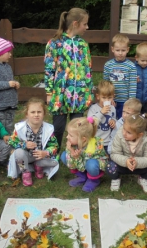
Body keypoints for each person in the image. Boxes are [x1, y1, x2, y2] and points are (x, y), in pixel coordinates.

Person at [44, 8, 93, 148]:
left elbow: (88, 70)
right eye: (85, 24)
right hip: (60, 95)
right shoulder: (54, 43)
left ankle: (75, 159)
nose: (87, 27)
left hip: (79, 95)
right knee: (58, 129)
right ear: (75, 23)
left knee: (78, 129)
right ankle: (53, 158)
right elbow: (49, 69)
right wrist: (49, 92)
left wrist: (88, 91)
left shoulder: (83, 44)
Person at [7, 98, 59, 186]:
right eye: (33, 112)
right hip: (26, 156)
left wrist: (45, 152)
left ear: (44, 114)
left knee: (55, 162)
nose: (36, 115)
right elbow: (11, 141)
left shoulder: (48, 129)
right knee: (18, 153)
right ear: (27, 114)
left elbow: (54, 146)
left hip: (41, 157)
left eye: (39, 112)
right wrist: (24, 144)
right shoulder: (20, 128)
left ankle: (38, 166)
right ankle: (25, 172)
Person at [107, 114, 147, 193]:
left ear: (140, 134)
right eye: (124, 129)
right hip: (123, 165)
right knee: (110, 166)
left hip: (140, 166)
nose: (124, 133)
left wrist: (137, 162)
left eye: (129, 132)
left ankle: (143, 178)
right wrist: (126, 161)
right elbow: (114, 154)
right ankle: (116, 179)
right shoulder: (119, 135)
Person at [61, 117, 108, 192]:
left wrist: (77, 158)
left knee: (91, 164)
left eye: (71, 135)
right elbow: (74, 164)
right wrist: (71, 151)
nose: (67, 137)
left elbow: (83, 166)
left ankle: (93, 180)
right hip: (82, 164)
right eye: (68, 134)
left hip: (91, 165)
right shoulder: (74, 144)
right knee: (64, 156)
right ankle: (82, 176)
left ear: (83, 139)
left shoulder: (94, 147)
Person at [103, 33, 137, 119]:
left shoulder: (131, 66)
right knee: (110, 119)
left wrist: (130, 101)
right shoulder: (108, 65)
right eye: (118, 50)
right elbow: (105, 84)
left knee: (124, 119)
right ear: (112, 49)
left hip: (125, 100)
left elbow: (133, 85)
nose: (120, 53)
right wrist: (108, 98)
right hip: (112, 100)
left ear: (128, 50)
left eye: (123, 50)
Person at [87, 80, 116, 153]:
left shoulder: (112, 108)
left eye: (109, 98)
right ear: (98, 96)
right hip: (95, 141)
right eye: (104, 97)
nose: (107, 100)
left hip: (108, 142)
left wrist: (113, 121)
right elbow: (90, 122)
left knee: (107, 162)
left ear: (113, 97)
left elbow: (113, 118)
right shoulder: (93, 108)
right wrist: (101, 112)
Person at [134, 42, 147, 114]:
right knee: (135, 114)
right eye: (142, 60)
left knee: (145, 115)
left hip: (146, 99)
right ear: (136, 58)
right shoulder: (133, 68)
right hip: (135, 98)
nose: (145, 63)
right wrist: (134, 80)